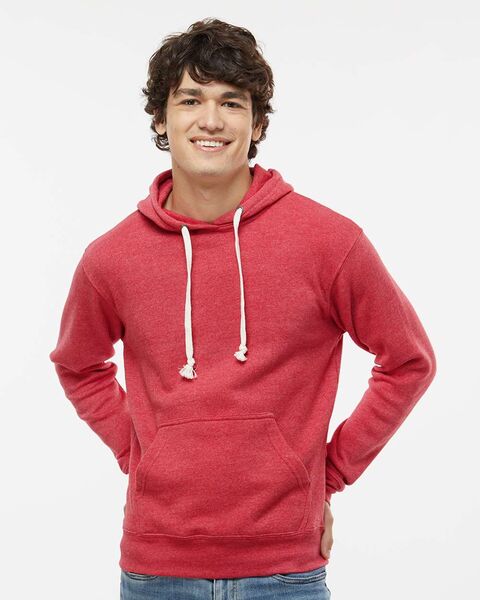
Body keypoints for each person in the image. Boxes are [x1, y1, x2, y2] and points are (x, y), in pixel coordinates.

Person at [49, 17, 436, 600]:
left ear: (256, 123)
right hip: (157, 571)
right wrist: (140, 452)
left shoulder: (328, 241)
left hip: (286, 573)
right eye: (190, 100)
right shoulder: (111, 258)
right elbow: (78, 365)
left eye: (232, 102)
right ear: (161, 118)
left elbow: (409, 361)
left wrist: (326, 476)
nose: (211, 120)